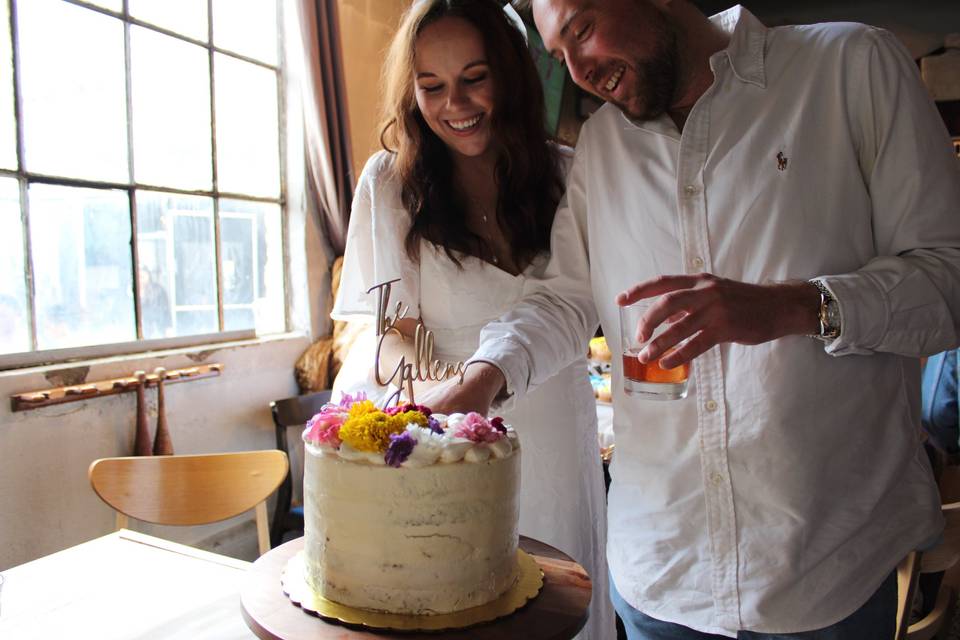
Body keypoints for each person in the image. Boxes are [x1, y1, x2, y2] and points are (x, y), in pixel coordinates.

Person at [428, 0, 960, 638]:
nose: (577, 72)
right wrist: (485, 375)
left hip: (823, 574)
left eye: (582, 32)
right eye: (559, 54)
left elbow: (947, 279)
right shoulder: (601, 146)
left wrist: (795, 305)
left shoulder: (849, 69)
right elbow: (563, 298)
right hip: (660, 578)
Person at [329, 1, 616, 638]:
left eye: (474, 77)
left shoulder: (568, 175)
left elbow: (579, 306)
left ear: (511, 76)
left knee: (552, 604)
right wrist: (444, 428)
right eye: (431, 86)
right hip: (447, 439)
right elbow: (397, 338)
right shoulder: (393, 184)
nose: (454, 103)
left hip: (554, 438)